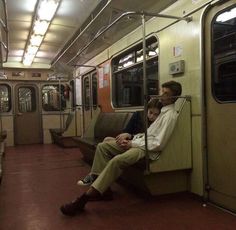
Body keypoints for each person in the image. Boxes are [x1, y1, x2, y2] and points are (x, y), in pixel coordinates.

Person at [60, 80, 182, 216]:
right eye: (161, 91)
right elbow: (149, 135)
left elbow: (158, 143)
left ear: (173, 97)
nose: (161, 95)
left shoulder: (170, 116)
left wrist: (132, 144)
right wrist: (131, 138)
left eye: (166, 93)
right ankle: (104, 191)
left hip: (145, 150)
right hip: (140, 143)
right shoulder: (163, 112)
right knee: (103, 146)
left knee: (117, 160)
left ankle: (83, 199)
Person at [77, 98, 163, 186]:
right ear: (146, 110)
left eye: (156, 114)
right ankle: (99, 176)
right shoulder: (138, 115)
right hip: (129, 142)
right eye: (150, 112)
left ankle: (95, 176)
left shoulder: (159, 123)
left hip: (139, 146)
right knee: (107, 140)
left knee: (105, 146)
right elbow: (126, 131)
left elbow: (149, 139)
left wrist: (131, 137)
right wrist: (126, 135)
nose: (152, 116)